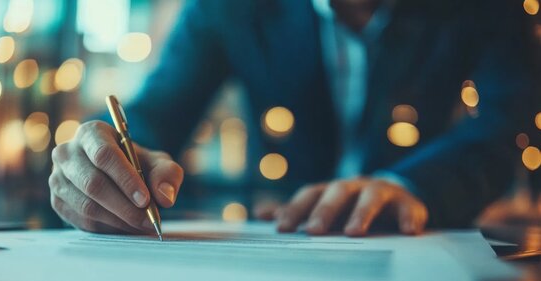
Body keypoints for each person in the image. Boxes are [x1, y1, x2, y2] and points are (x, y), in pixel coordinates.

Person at [49, 0, 537, 236]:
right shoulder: (228, 8)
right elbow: (154, 116)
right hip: (283, 247)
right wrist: (99, 156)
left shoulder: (486, 7)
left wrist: (409, 187)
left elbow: (506, 125)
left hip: (430, 246)